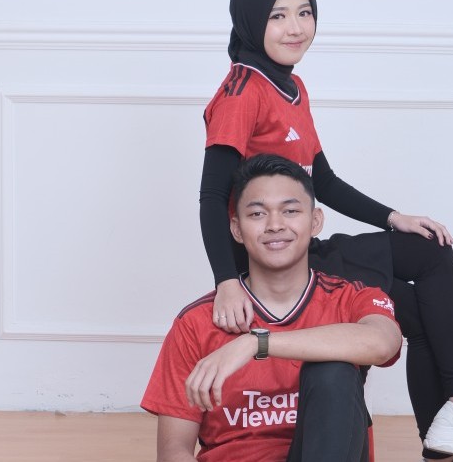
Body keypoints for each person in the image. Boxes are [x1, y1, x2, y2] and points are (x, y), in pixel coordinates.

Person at [198, 0, 453, 462]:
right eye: (278, 16)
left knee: (423, 278)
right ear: (252, 22)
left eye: (305, 13)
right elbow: (212, 195)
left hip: (305, 247)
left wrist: (393, 217)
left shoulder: (293, 88)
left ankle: (447, 436)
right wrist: (227, 281)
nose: (295, 27)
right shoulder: (241, 91)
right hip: (272, 263)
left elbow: (323, 181)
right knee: (424, 278)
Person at [142, 154, 403, 461]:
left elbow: (382, 343)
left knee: (333, 371)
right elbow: (173, 451)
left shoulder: (351, 298)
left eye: (290, 211)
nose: (275, 225)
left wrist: (256, 343)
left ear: (315, 221)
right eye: (257, 214)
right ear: (236, 229)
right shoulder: (196, 322)